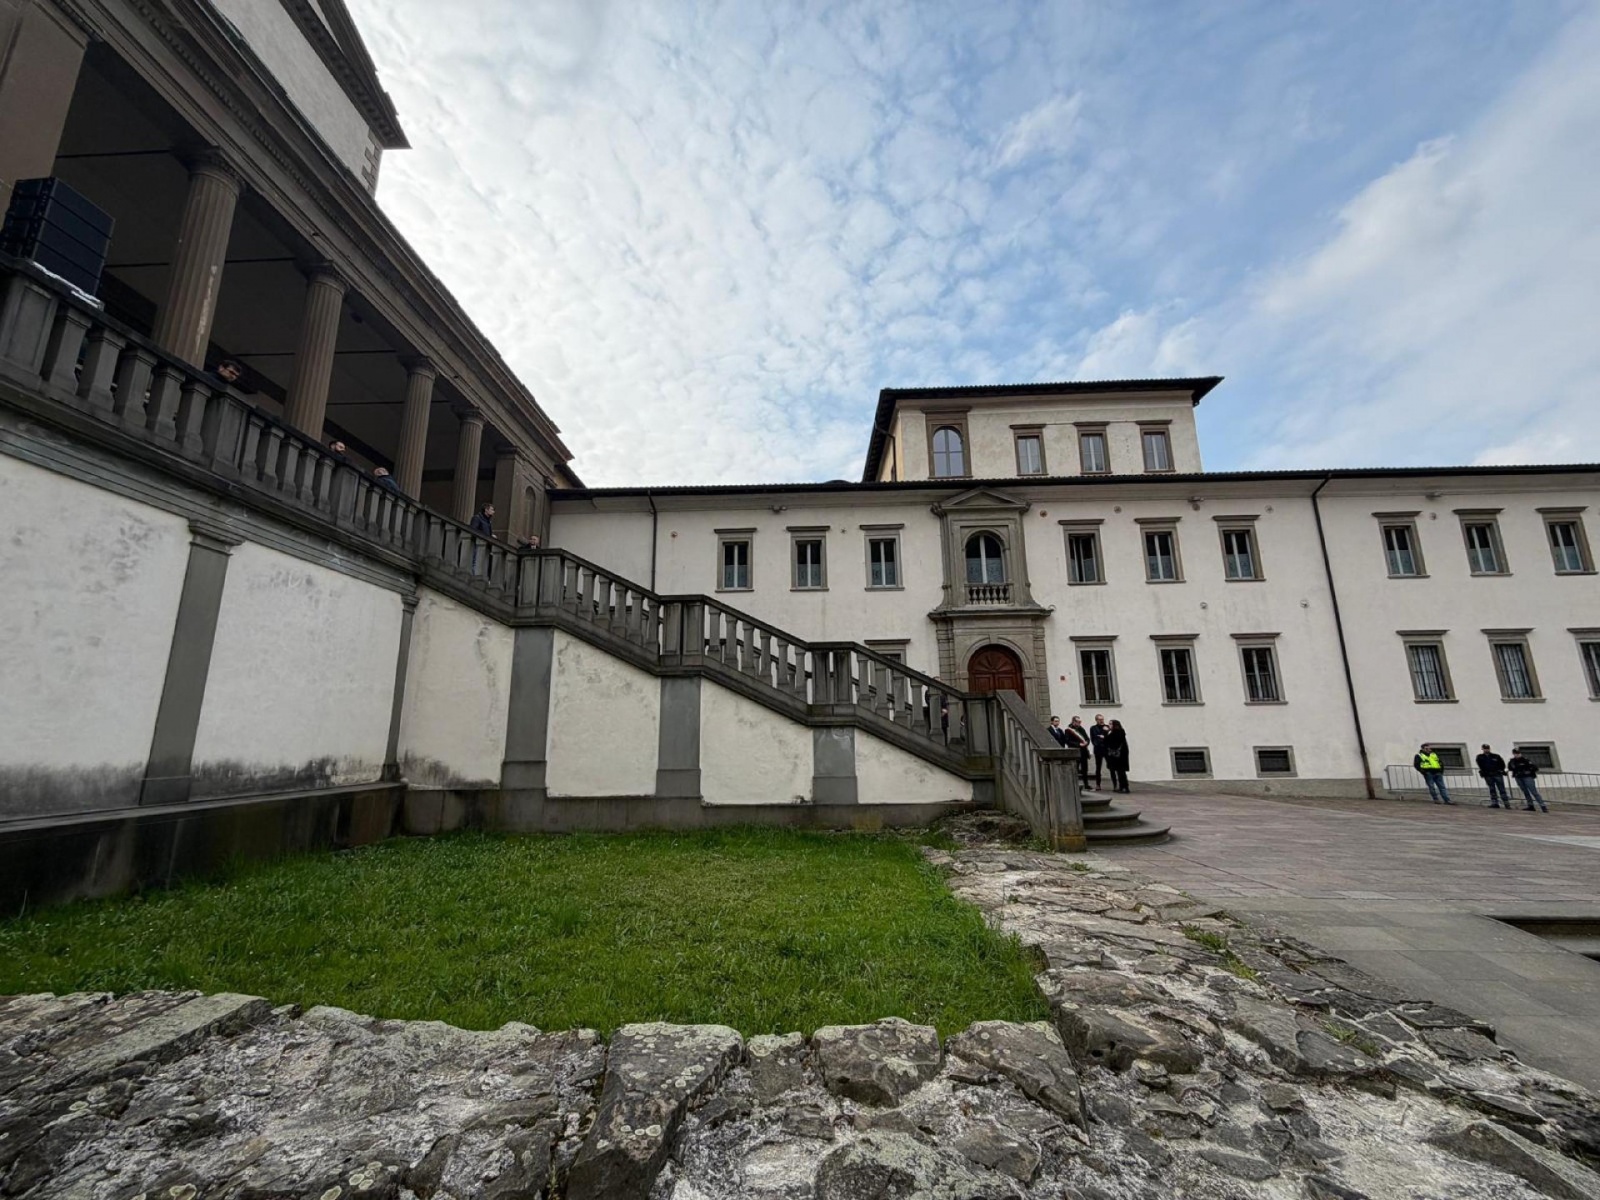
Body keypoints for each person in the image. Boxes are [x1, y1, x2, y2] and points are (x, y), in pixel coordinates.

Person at [1475, 744, 1510, 809]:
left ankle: (1506, 803)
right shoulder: (1480, 757)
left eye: (1487, 748)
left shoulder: (1496, 756)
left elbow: (1502, 764)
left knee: (1502, 789)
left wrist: (1500, 770)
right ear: (1482, 749)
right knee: (1492, 789)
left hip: (1497, 774)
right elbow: (1480, 765)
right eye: (1485, 749)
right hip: (1488, 775)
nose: (1486, 750)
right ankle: (1494, 803)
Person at [1066, 716, 1093, 790]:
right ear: (1073, 722)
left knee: (1085, 769)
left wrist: (1087, 742)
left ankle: (1086, 784)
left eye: (1080, 722)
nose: (1079, 723)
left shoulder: (1081, 729)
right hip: (1075, 752)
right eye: (1078, 722)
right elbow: (1068, 741)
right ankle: (1075, 784)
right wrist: (1078, 744)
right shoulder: (1068, 730)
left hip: (1083, 752)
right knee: (1075, 769)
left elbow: (1087, 738)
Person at [1104, 719, 1129, 793]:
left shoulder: (1118, 732)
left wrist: (1106, 734)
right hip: (1118, 755)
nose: (1109, 725)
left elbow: (1110, 741)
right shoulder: (1114, 732)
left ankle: (1124, 787)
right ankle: (1122, 787)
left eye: (1111, 724)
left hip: (1120, 755)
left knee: (1121, 772)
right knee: (1119, 771)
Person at [1089, 714, 1109, 790]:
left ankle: (1115, 784)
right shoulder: (1093, 728)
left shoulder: (1107, 727)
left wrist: (1105, 733)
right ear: (1096, 720)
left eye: (1102, 719)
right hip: (1098, 749)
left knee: (1111, 766)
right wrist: (1099, 742)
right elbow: (1093, 738)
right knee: (1098, 767)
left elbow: (1109, 737)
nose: (1101, 721)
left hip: (1107, 749)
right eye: (1100, 719)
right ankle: (1098, 784)